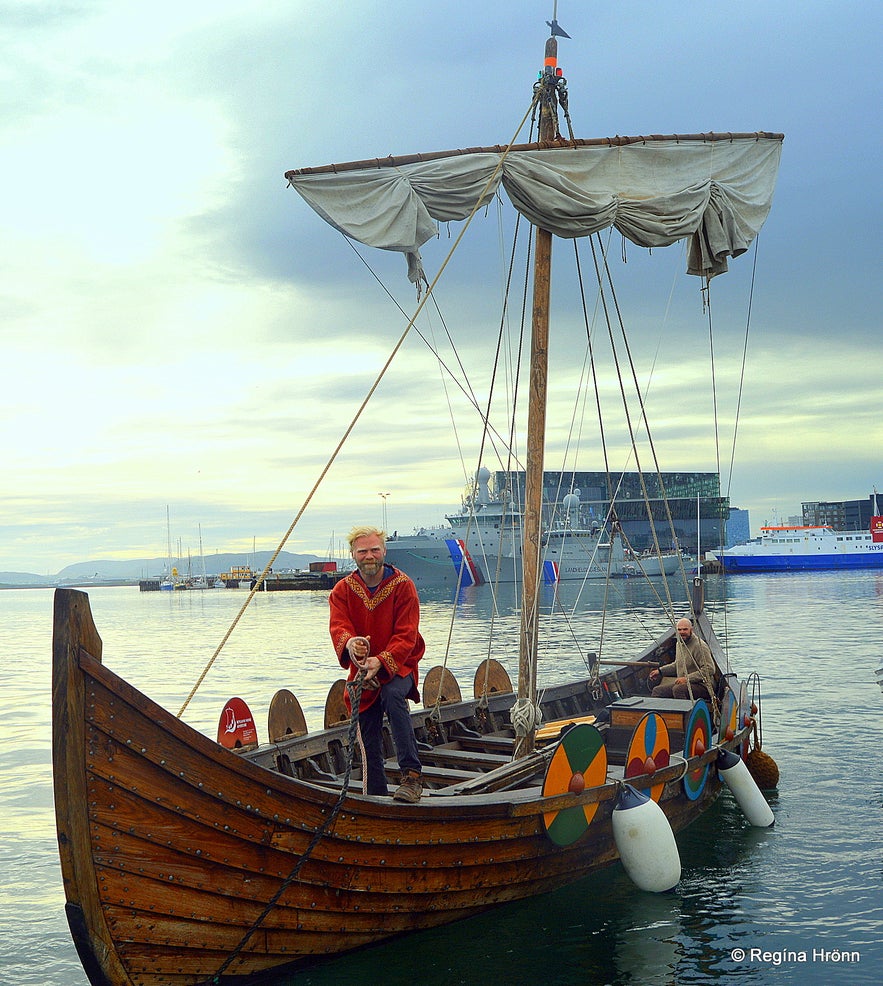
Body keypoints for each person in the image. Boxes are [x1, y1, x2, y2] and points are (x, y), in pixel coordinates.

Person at [329, 525, 425, 803]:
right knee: (364, 718)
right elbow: (339, 626)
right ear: (353, 554)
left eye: (374, 550)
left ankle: (412, 777)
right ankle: (375, 793)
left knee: (393, 694)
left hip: (400, 665)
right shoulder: (342, 590)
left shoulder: (403, 586)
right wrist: (351, 644)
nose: (369, 556)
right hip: (361, 672)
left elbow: (407, 635)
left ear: (384, 551)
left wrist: (381, 661)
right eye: (363, 551)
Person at [649, 617, 717, 701]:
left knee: (678, 690)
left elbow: (710, 669)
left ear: (691, 630)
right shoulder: (679, 644)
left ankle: (685, 713)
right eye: (679, 630)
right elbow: (677, 664)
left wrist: (687, 679)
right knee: (657, 691)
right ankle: (657, 713)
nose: (682, 632)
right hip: (684, 684)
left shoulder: (699, 646)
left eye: (685, 629)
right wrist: (659, 671)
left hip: (703, 686)